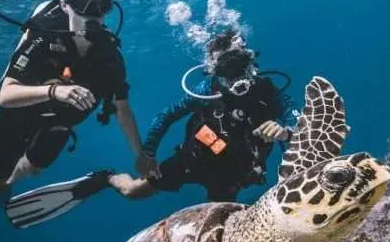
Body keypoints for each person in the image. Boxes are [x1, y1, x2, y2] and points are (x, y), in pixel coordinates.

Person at [0, 0, 144, 242]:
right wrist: (54, 91)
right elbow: (5, 94)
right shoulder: (43, 34)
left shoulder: (109, 54)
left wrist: (141, 155)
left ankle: (9, 182)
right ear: (65, 3)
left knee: (35, 167)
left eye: (101, 2)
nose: (94, 11)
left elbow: (123, 108)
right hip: (20, 114)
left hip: (60, 122)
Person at [109, 28, 293, 203]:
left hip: (232, 172)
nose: (235, 75)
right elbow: (167, 115)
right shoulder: (206, 91)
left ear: (251, 61)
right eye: (226, 68)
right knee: (132, 191)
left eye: (240, 64)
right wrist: (148, 153)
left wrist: (286, 131)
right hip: (193, 158)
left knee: (218, 219)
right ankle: (106, 177)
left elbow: (300, 122)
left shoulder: (267, 93)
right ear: (214, 71)